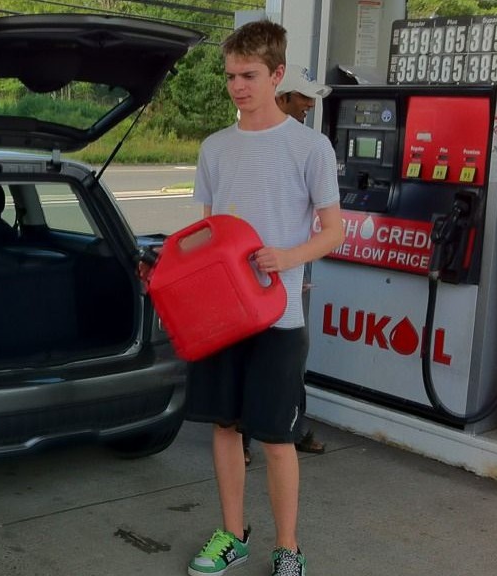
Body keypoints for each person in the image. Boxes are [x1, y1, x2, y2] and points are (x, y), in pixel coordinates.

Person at [183, 20, 343, 576]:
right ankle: (232, 535)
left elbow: (334, 231)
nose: (238, 87)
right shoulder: (215, 147)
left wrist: (287, 257)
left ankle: (289, 547)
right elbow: (204, 232)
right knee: (225, 427)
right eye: (230, 75)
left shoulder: (309, 146)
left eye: (249, 75)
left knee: (276, 437)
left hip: (278, 315)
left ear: (277, 74)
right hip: (222, 319)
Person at [241, 63, 333, 466]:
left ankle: (289, 430)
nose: (309, 104)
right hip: (246, 295)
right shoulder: (236, 147)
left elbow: (330, 230)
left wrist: (293, 265)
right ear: (280, 96)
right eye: (302, 96)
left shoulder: (312, 147)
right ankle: (249, 440)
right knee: (249, 377)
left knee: (286, 372)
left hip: (285, 299)